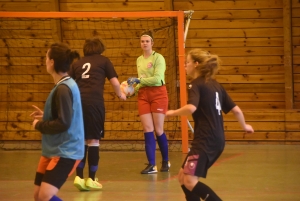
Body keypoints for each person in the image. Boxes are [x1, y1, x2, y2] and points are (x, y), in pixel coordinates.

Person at [166, 49, 254, 201]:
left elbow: (191, 108)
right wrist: (245, 126)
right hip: (214, 140)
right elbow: (237, 110)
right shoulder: (216, 85)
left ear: (196, 64)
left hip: (205, 141)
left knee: (189, 181)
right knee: (182, 177)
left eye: (187, 62)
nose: (185, 65)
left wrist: (171, 112)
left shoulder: (195, 85)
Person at [69, 37, 126, 191]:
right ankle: (91, 179)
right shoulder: (104, 61)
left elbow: (68, 83)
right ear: (100, 49)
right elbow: (115, 82)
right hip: (94, 104)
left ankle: (79, 178)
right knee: (93, 141)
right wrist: (121, 94)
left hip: (78, 104)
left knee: (81, 141)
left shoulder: (77, 63)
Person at [30, 43, 84, 201]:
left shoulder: (63, 89)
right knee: (38, 196)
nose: (45, 61)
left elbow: (64, 123)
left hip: (67, 150)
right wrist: (47, 114)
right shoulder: (62, 86)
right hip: (53, 149)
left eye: (46, 57)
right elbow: (64, 115)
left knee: (45, 196)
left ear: (52, 62)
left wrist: (38, 125)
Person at [127, 30, 170, 174]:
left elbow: (157, 79)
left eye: (147, 41)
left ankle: (165, 161)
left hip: (158, 93)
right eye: (142, 41)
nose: (144, 43)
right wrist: (132, 91)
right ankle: (152, 164)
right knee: (147, 129)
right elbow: (141, 81)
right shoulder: (139, 59)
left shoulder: (158, 58)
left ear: (152, 43)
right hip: (143, 94)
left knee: (158, 130)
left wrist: (139, 81)